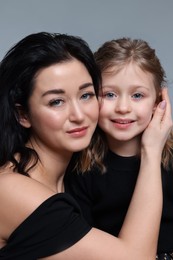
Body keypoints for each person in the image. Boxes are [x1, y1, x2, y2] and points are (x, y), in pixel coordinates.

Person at [0, 33, 172, 260]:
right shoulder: (10, 189)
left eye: (86, 95)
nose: (79, 115)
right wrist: (151, 150)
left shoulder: (74, 174)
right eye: (56, 101)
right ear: (22, 114)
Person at [65, 38, 173, 260]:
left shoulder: (170, 159)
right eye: (110, 94)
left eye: (137, 95)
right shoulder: (80, 166)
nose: (123, 108)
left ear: (158, 102)